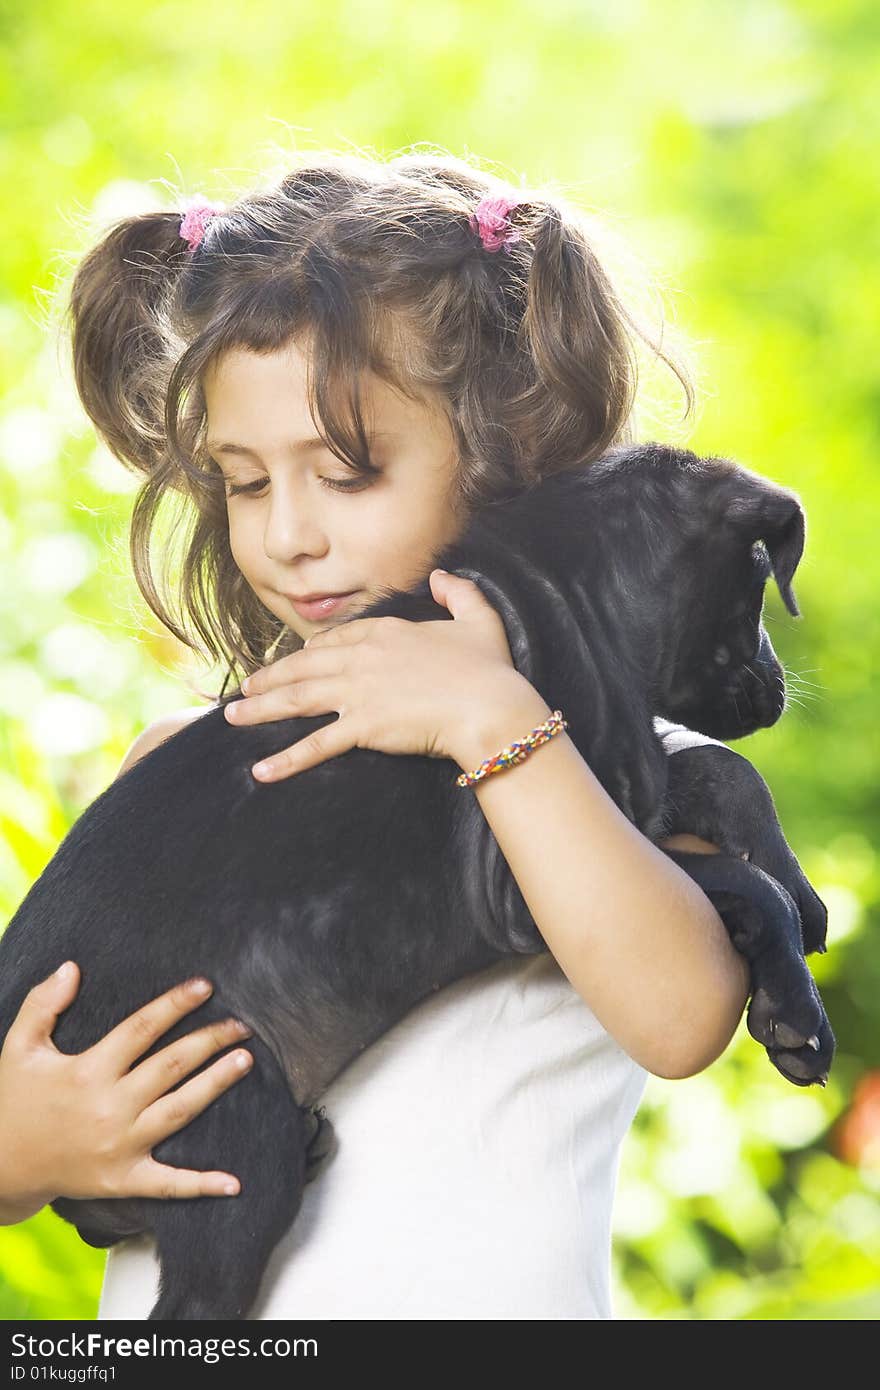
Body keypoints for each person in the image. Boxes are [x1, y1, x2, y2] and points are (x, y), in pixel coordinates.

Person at [3, 150, 750, 1319]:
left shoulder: (616, 769)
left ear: (514, 457)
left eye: (347, 473)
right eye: (245, 483)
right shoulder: (189, 769)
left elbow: (680, 1017)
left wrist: (498, 724)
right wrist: (19, 1151)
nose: (287, 534)